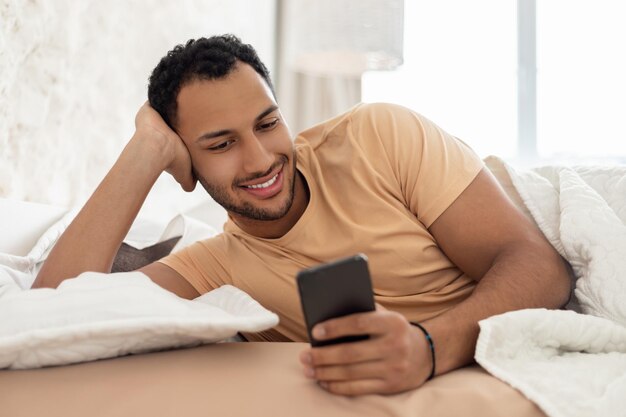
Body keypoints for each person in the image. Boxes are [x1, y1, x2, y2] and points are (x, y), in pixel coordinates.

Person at [32, 34, 571, 396]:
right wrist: (145, 151)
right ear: (186, 159)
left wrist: (428, 348)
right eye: (221, 144)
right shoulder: (217, 267)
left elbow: (540, 266)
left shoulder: (379, 138)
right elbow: (52, 314)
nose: (262, 159)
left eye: (267, 124)